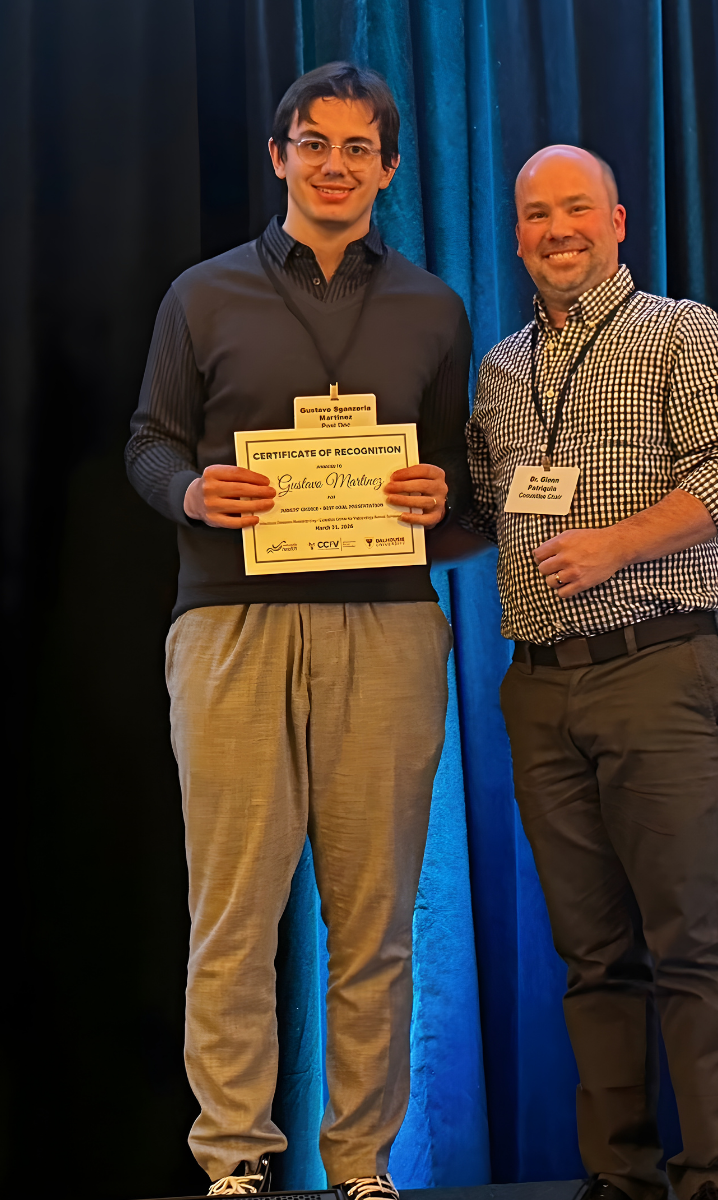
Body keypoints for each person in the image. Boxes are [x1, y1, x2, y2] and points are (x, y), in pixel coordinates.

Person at [126, 61, 471, 1199]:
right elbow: (150, 442)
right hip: (231, 625)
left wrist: (441, 502)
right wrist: (191, 494)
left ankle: (362, 1168)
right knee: (231, 912)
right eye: (312, 144)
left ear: (390, 168)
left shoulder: (433, 306)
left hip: (387, 627)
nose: (334, 164)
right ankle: (235, 1163)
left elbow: (459, 488)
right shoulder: (203, 295)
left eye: (357, 148)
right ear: (280, 157)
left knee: (373, 923)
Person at [461, 145, 718, 1200]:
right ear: (516, 234)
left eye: (576, 210)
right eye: (537, 214)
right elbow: (476, 502)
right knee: (592, 955)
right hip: (538, 687)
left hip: (658, 669)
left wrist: (616, 544)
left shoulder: (684, 331)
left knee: (688, 941)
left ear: (617, 220)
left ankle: (717, 1180)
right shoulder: (500, 369)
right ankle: (622, 1178)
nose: (557, 230)